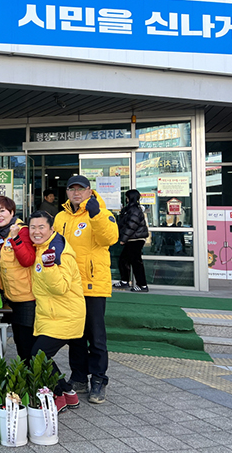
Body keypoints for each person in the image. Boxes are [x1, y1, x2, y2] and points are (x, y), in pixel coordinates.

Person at [53, 175, 118, 405]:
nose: (76, 193)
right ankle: (79, 377)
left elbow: (110, 238)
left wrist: (95, 215)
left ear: (90, 191)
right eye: (72, 189)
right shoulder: (60, 217)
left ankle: (99, 379)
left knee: (96, 336)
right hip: (70, 285)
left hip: (93, 285)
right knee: (76, 335)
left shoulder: (101, 212)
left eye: (81, 189)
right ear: (67, 192)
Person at [29, 211, 85, 413]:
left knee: (39, 356)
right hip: (52, 314)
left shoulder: (60, 252)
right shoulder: (43, 247)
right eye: (32, 227)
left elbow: (60, 288)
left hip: (65, 315)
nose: (36, 231)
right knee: (40, 356)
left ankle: (58, 396)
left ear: (51, 228)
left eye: (41, 227)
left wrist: (49, 266)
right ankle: (69, 393)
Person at [0, 196, 36, 361]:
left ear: (12, 212)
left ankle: (47, 377)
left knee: (27, 346)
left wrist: (15, 238)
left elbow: (27, 260)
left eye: (2, 211)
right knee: (20, 343)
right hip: (11, 296)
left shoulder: (21, 231)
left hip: (27, 297)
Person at [114, 189, 150, 293]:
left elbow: (131, 225)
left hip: (135, 239)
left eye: (126, 197)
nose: (125, 199)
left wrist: (123, 239)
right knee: (124, 260)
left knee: (136, 262)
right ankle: (124, 281)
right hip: (133, 239)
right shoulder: (131, 209)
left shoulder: (134, 210)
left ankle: (142, 285)